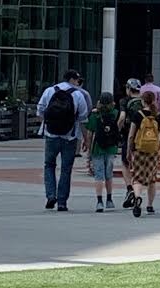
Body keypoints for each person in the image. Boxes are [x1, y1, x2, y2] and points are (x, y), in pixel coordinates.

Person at [37, 69, 90, 211]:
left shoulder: (49, 91)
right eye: (77, 80)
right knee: (66, 169)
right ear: (72, 79)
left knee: (49, 165)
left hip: (51, 135)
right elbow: (83, 119)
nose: (78, 83)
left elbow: (40, 111)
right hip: (70, 136)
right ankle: (62, 202)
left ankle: (50, 196)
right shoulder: (78, 94)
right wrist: (86, 139)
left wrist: (48, 124)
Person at [127, 90, 160, 217]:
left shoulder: (137, 115)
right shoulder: (159, 117)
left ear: (142, 101)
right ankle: (150, 205)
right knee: (152, 179)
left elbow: (131, 136)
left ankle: (137, 197)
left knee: (137, 178)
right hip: (153, 152)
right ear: (154, 101)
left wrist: (129, 151)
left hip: (139, 150)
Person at [83, 92, 122, 212]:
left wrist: (89, 150)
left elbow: (89, 134)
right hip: (111, 147)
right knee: (109, 174)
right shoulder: (115, 113)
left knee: (99, 175)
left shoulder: (95, 115)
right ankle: (109, 200)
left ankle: (99, 201)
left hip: (97, 148)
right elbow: (119, 127)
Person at [117, 79, 143, 209]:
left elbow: (122, 117)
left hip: (129, 135)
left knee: (125, 163)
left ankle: (129, 189)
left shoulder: (124, 101)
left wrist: (117, 129)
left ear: (128, 88)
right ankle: (138, 190)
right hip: (143, 138)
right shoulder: (144, 101)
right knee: (138, 165)